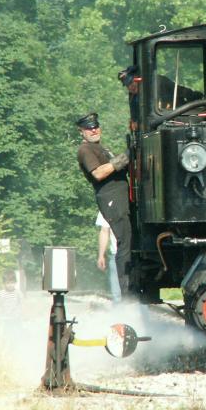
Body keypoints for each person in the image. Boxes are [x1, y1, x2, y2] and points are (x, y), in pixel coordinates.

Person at [75, 112, 131, 295]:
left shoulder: (102, 148)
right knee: (124, 242)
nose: (94, 130)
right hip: (111, 197)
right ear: (81, 131)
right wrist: (124, 158)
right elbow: (98, 173)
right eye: (89, 128)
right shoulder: (85, 150)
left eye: (96, 127)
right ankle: (127, 292)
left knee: (129, 239)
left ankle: (131, 287)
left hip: (119, 197)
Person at [96, 210, 122, 301]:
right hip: (117, 253)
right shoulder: (106, 207)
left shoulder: (106, 205)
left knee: (117, 293)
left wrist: (101, 255)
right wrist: (101, 255)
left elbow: (104, 231)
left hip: (117, 253)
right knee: (118, 293)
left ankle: (121, 307)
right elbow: (104, 231)